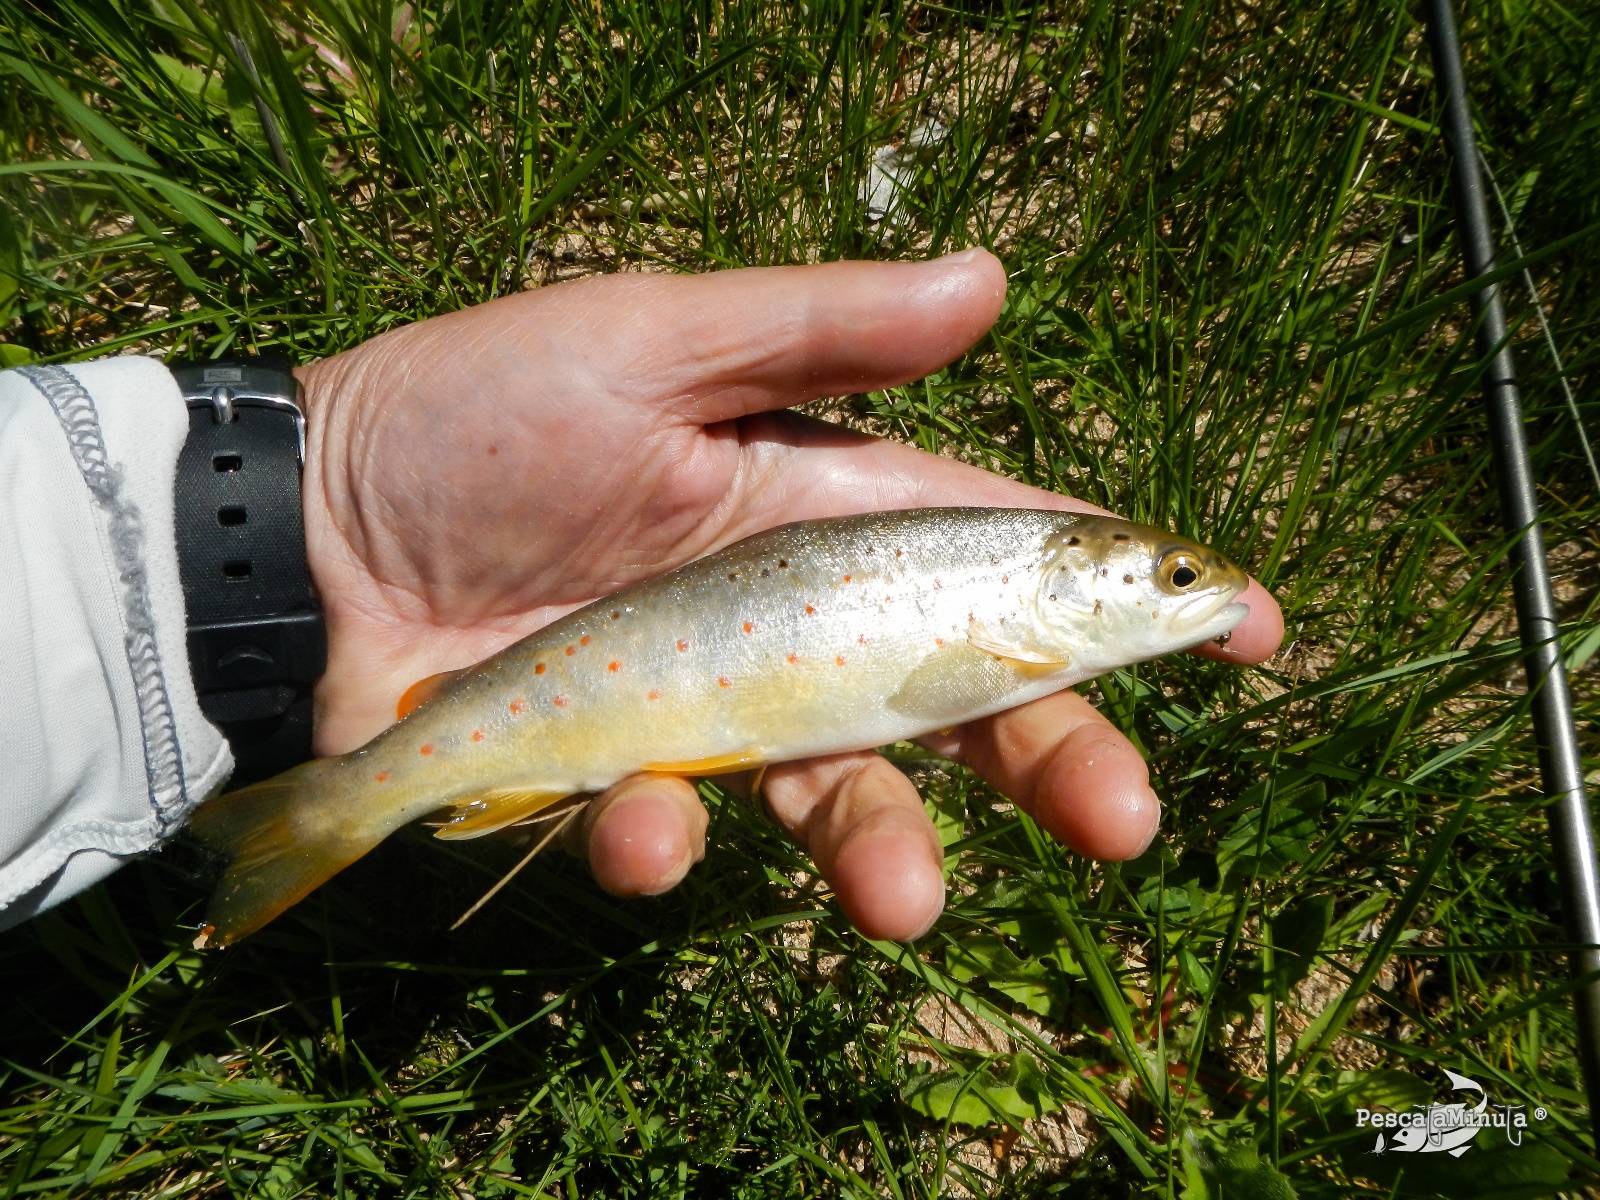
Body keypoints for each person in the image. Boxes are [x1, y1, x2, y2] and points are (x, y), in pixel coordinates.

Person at [0, 249, 1283, 939]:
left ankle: (302, 811)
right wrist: (326, 500)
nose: (1194, 593)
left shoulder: (1021, 623)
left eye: (1182, 581)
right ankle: (330, 808)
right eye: (1175, 579)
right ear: (1062, 574)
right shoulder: (1008, 614)